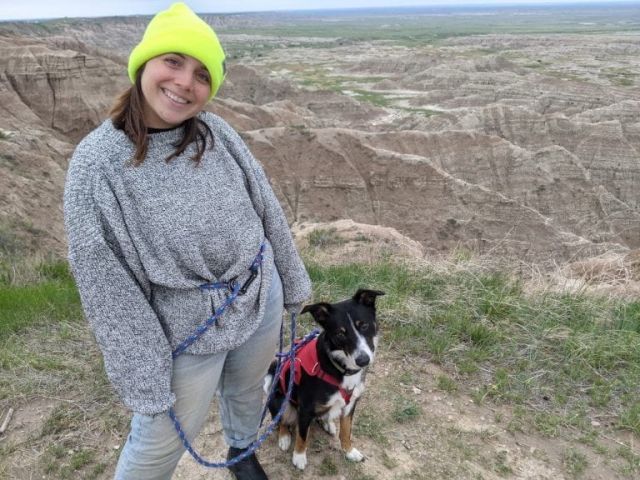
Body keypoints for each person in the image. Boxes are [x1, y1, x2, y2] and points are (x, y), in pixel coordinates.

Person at [63, 3, 311, 479]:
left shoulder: (216, 133)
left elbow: (266, 205)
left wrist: (292, 280)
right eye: (172, 61)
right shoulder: (97, 164)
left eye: (202, 74)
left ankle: (241, 452)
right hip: (185, 329)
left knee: (245, 391)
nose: (184, 83)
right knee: (160, 440)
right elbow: (104, 281)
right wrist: (144, 372)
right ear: (143, 65)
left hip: (258, 294)